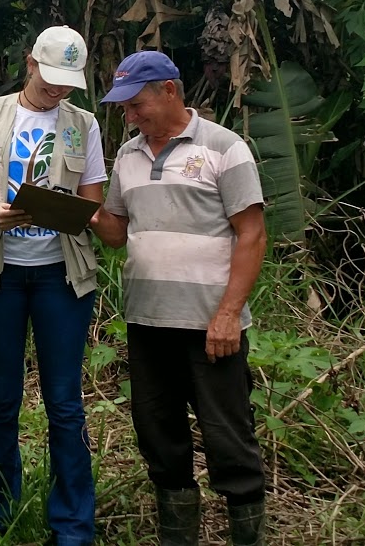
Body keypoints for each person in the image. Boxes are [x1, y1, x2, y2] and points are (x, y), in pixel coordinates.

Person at [89, 51, 269, 546]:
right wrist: (74, 208)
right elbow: (116, 234)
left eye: (137, 104)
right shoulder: (128, 155)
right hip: (147, 321)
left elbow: (251, 235)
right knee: (158, 436)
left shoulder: (224, 147)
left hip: (211, 323)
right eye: (123, 108)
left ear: (170, 90)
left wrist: (229, 313)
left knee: (228, 436)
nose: (130, 116)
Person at [0, 26, 109, 546]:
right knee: (1, 399)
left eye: (69, 83)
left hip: (60, 277)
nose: (59, 91)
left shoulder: (83, 125)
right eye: (51, 79)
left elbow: (91, 203)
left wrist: (67, 209)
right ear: (30, 64)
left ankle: (72, 525)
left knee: (65, 402)